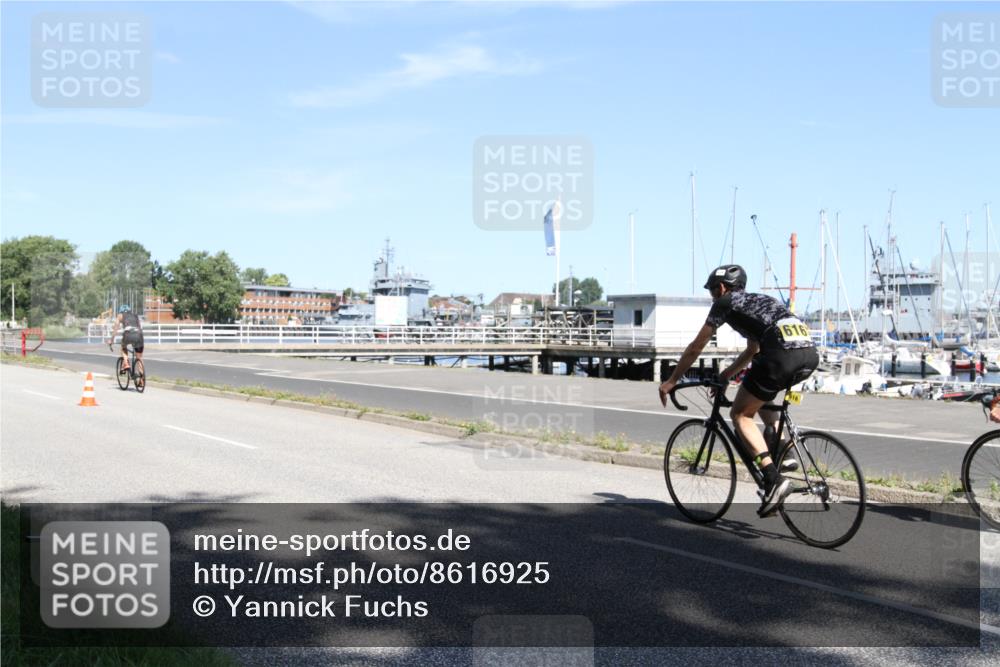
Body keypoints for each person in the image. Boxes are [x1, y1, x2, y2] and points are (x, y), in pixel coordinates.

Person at [658, 265, 819, 517]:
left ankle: (773, 479)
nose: (712, 296)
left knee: (740, 416)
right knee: (761, 398)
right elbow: (753, 349)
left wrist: (672, 380)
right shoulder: (761, 301)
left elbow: (695, 347)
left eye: (712, 290)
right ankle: (783, 451)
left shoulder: (725, 302)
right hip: (809, 354)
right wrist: (726, 374)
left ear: (722, 288)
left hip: (780, 357)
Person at [108, 305, 143, 372]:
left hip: (128, 334)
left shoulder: (120, 316)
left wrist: (111, 340)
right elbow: (139, 326)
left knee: (123, 346)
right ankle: (142, 378)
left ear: (120, 312)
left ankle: (126, 363)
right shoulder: (135, 315)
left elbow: (116, 329)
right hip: (139, 335)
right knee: (139, 357)